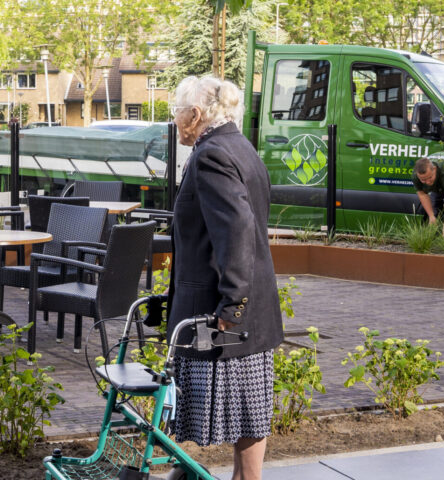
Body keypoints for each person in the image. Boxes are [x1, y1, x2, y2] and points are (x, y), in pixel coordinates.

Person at [166, 75, 283, 480]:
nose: (175, 119)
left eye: (176, 111)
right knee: (250, 412)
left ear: (195, 115)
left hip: (225, 311)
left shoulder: (210, 155)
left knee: (243, 409)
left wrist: (232, 305)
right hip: (248, 303)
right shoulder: (240, 146)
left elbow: (235, 230)